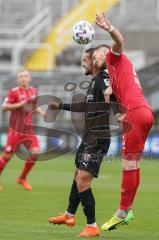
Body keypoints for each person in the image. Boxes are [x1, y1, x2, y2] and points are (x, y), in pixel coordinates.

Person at [48, 48, 120, 237]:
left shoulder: (103, 77)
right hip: (88, 138)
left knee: (82, 181)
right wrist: (61, 105)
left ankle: (92, 226)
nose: (83, 63)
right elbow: (85, 106)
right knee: (77, 175)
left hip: (97, 138)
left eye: (85, 60)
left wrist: (118, 109)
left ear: (94, 62)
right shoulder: (93, 82)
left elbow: (110, 93)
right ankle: (69, 215)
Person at [95, 13, 154, 231]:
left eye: (98, 54)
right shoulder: (115, 72)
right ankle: (126, 209)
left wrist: (109, 27)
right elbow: (125, 92)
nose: (97, 58)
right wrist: (122, 113)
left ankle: (122, 211)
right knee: (133, 162)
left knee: (128, 164)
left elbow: (119, 41)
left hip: (138, 113)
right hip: (142, 112)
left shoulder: (114, 58)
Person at [0, 69, 45, 191]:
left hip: (28, 131)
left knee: (36, 153)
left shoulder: (33, 91)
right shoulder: (13, 92)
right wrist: (19, 104)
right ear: (18, 79)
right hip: (15, 130)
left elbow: (32, 106)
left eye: (25, 76)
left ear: (29, 78)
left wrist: (41, 113)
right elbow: (4, 107)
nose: (23, 78)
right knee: (7, 156)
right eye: (21, 76)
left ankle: (22, 178)